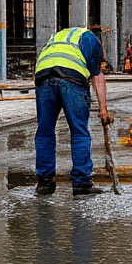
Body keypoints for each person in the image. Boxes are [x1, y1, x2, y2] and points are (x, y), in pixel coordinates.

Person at [34, 26, 114, 197]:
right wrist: (103, 110)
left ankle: (44, 182)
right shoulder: (92, 41)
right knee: (79, 131)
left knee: (44, 131)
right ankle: (81, 182)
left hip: (43, 76)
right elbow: (97, 76)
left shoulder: (59, 37)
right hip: (71, 78)